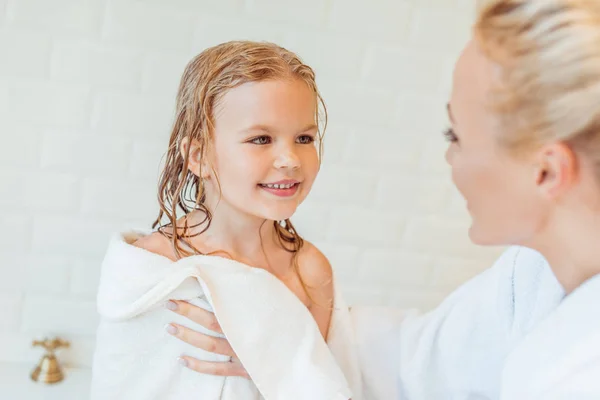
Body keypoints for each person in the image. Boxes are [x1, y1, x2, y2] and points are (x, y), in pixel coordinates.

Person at [164, 0, 600, 398]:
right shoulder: (534, 275)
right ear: (197, 154)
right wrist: (289, 339)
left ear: (547, 171)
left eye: (457, 136)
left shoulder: (578, 374)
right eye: (260, 138)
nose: (449, 156)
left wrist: (291, 356)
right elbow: (426, 361)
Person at [90, 41, 363, 399]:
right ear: (199, 155)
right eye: (261, 138)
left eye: (304, 138)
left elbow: (321, 387)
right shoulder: (155, 268)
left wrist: (274, 359)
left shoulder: (309, 271)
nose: (290, 159)